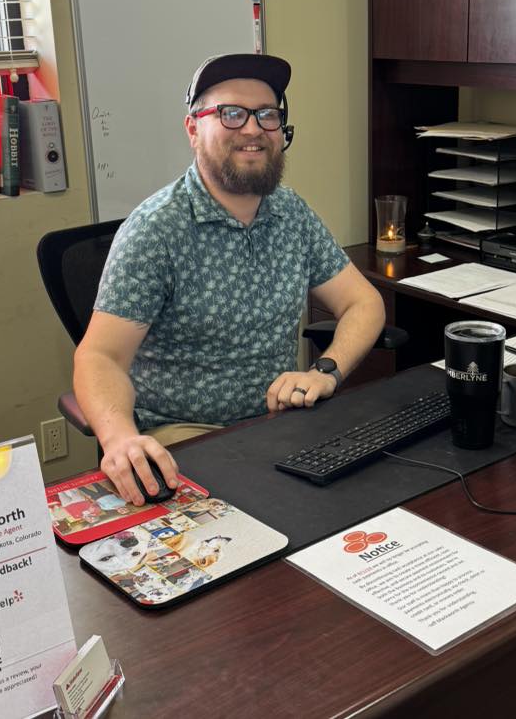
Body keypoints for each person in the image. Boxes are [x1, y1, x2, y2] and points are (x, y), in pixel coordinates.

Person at [73, 53, 386, 506]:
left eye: (267, 115)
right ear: (192, 129)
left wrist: (326, 371)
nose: (253, 129)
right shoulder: (156, 230)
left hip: (281, 426)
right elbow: (99, 356)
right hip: (187, 439)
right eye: (231, 114)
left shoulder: (290, 212)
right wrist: (120, 438)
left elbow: (364, 303)